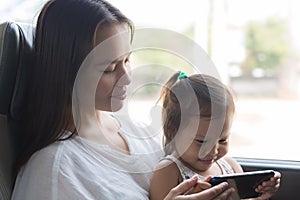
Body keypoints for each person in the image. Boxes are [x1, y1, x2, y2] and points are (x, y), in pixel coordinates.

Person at [11, 0, 235, 199]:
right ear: (66, 72)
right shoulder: (55, 169)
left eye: (127, 61)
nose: (127, 77)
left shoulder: (136, 131)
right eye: (109, 69)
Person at [149, 72, 281, 200]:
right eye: (202, 141)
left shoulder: (230, 166)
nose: (213, 151)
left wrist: (261, 194)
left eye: (223, 140)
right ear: (173, 131)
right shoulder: (168, 172)